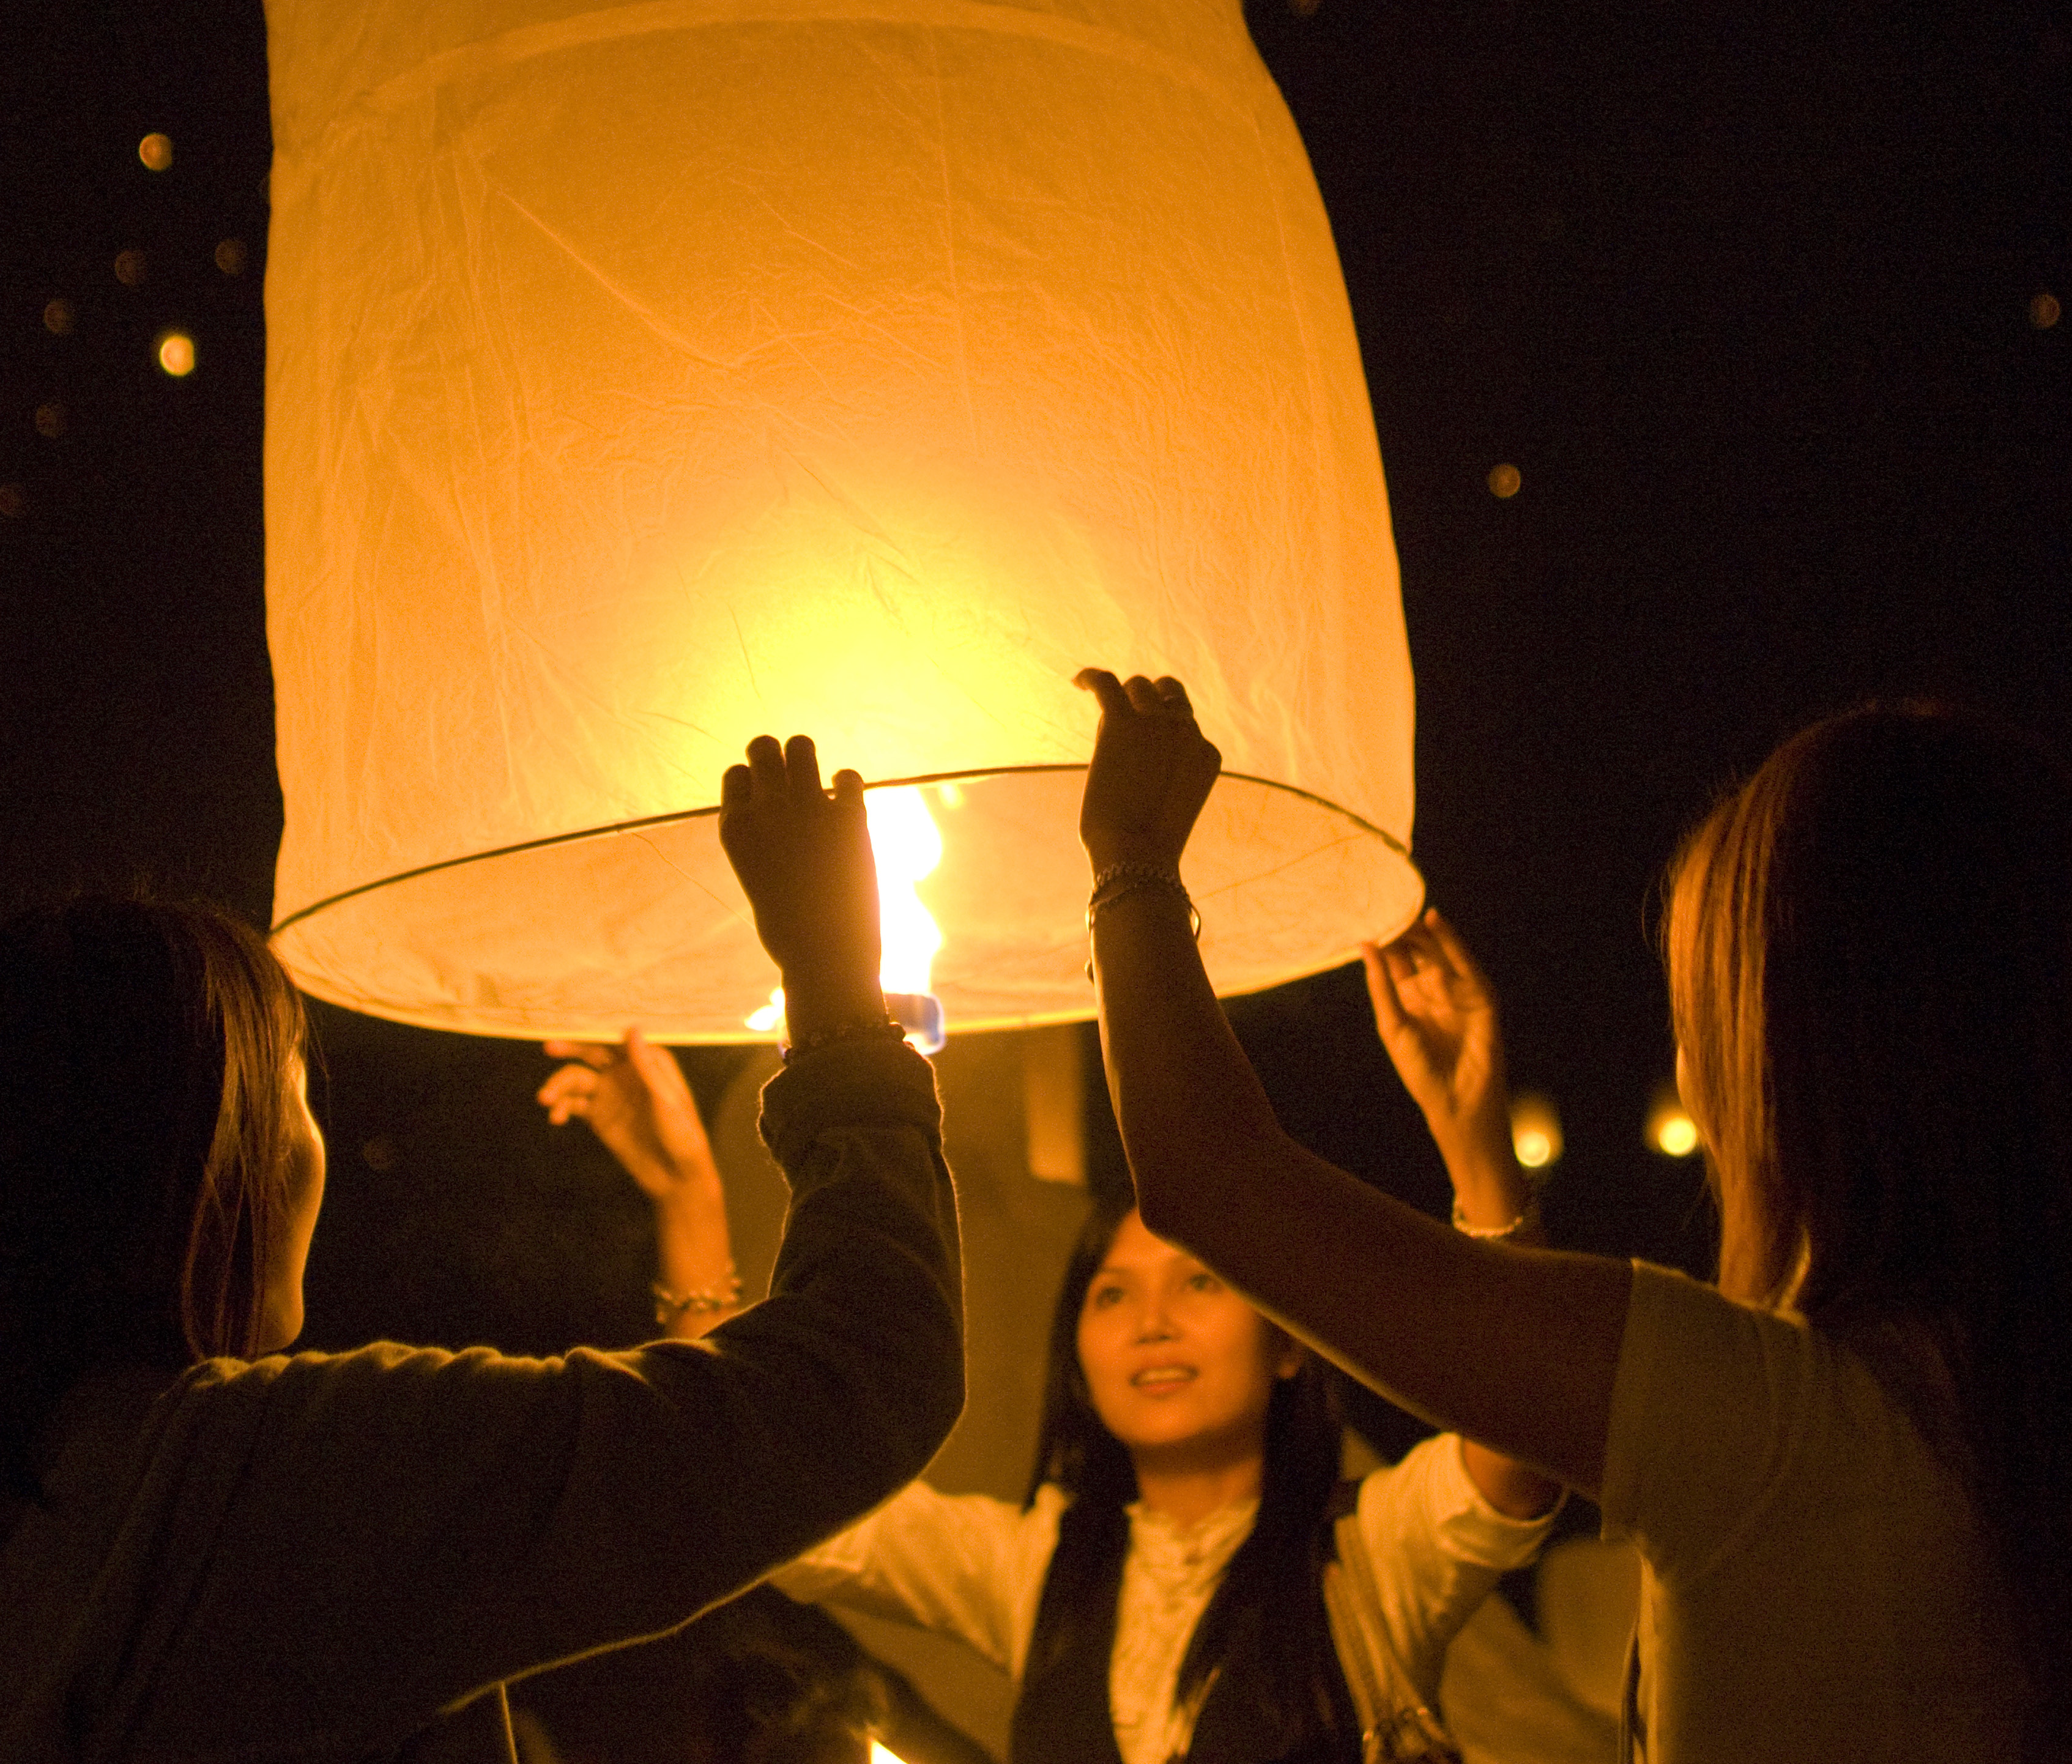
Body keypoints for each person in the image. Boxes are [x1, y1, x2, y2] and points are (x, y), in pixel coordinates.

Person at [1072, 671, 2072, 1764]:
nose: (1685, 1063)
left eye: (1698, 1008)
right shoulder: (1977, 1410)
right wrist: (1474, 1139)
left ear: (1788, 1056)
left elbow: (1213, 1182)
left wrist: (1132, 859)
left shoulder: (1768, 1420)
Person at [0, 735, 965, 1764]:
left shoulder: (77, 1506)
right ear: (217, 1167)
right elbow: (857, 1377)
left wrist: (687, 1200)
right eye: (291, 1090)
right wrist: (835, 988)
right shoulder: (291, 1486)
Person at [540, 927, 1562, 1762]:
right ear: (1079, 1351)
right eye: (1113, 1295)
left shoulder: (1374, 1561)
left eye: (1198, 1283)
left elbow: (1527, 1421)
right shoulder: (1038, 1573)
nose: (1152, 1322)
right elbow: (771, 1492)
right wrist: (689, 1197)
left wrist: (1471, 1131)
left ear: (1288, 1345)